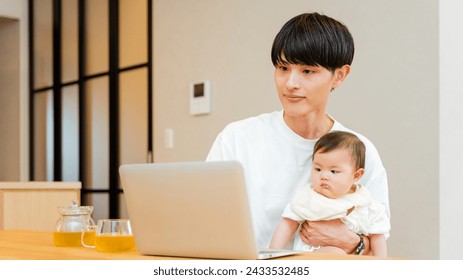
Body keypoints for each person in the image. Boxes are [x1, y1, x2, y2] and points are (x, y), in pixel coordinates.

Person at [206, 12, 390, 255]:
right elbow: (205, 220)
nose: (290, 83)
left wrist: (351, 242)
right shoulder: (237, 138)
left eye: (307, 71)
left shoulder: (359, 150)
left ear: (340, 75)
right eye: (283, 67)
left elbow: (376, 245)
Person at [269, 131, 389, 257]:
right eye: (318, 169)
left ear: (356, 175)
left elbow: (378, 237)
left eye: (333, 171)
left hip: (353, 264)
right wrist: (272, 255)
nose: (324, 176)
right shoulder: (308, 198)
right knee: (334, 253)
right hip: (310, 259)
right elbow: (287, 224)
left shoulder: (366, 204)